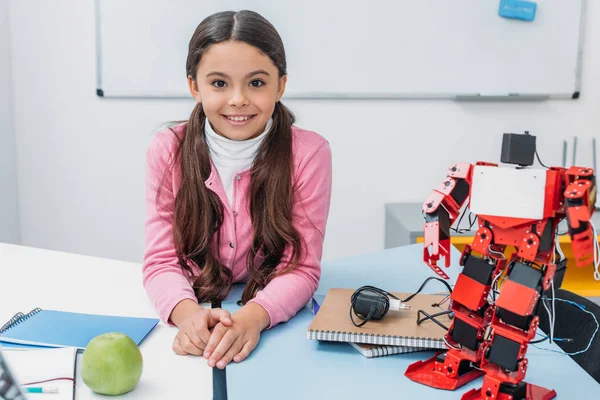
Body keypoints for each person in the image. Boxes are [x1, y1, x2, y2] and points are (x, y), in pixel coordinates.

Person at [142, 10, 333, 370]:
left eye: (256, 83)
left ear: (281, 85)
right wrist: (186, 315)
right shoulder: (167, 149)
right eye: (219, 84)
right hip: (197, 300)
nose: (238, 99)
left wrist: (254, 317)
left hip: (271, 315)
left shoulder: (309, 154)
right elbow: (160, 261)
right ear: (194, 86)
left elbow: (302, 266)